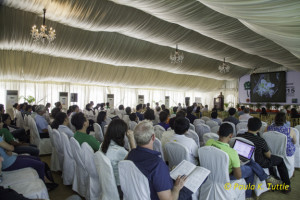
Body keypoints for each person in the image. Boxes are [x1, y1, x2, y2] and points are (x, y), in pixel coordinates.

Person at [206, 123, 273, 199]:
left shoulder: (209, 142)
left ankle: (265, 178)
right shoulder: (232, 153)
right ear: (231, 135)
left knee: (249, 161)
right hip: (226, 176)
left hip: (211, 172)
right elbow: (238, 176)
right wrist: (238, 164)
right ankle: (248, 196)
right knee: (251, 170)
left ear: (218, 132)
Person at [127, 121, 190, 200]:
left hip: (140, 194)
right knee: (188, 188)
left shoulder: (130, 155)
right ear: (153, 137)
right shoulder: (157, 164)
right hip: (159, 196)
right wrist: (177, 188)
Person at [237, 117, 291, 193]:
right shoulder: (260, 141)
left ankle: (273, 181)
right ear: (259, 128)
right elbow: (268, 155)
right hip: (259, 162)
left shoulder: (239, 136)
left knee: (271, 162)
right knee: (280, 160)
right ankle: (286, 185)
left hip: (243, 159)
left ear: (247, 126)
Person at [101, 119, 136, 197]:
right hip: (119, 186)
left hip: (108, 184)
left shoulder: (103, 145)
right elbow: (135, 161)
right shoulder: (119, 151)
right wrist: (132, 139)